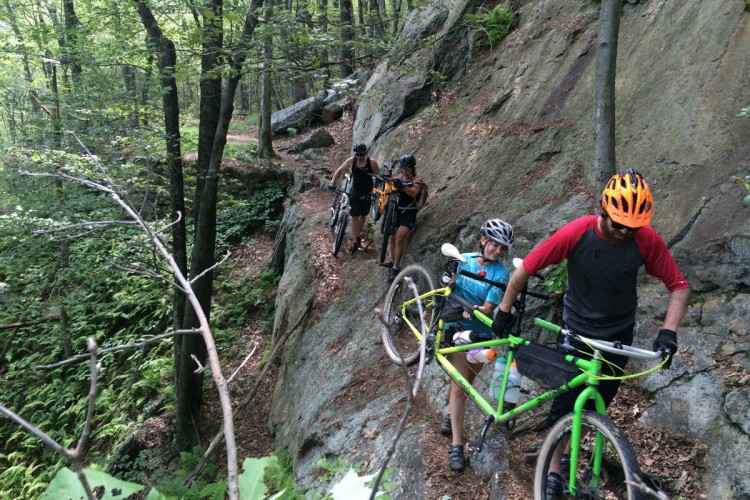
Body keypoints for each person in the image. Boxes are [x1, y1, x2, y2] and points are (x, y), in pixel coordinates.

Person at [491, 169, 690, 497]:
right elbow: (525, 269)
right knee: (566, 404)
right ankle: (553, 471)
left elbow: (680, 288)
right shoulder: (577, 233)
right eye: (618, 224)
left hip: (617, 334)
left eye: (632, 227)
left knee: (598, 404)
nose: (624, 232)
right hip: (577, 331)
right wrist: (504, 309)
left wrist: (668, 333)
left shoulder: (645, 240)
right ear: (603, 210)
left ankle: (582, 453)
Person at [440, 219, 516, 471]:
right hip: (454, 331)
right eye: (495, 244)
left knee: (464, 386)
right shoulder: (465, 259)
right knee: (459, 387)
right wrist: (448, 282)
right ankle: (456, 441)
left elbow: (488, 309)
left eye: (502, 247)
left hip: (479, 337)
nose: (497, 250)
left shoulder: (501, 274)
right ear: (483, 240)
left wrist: (475, 310)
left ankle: (453, 429)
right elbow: (448, 288)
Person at [326, 141, 380, 253]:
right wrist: (332, 182)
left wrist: (374, 190)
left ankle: (357, 235)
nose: (359, 157)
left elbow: (378, 177)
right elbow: (340, 170)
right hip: (355, 192)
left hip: (367, 193)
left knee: (363, 216)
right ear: (355, 154)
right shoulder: (351, 161)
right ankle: (355, 241)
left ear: (365, 153)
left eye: (361, 154)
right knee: (355, 216)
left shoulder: (372, 163)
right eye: (357, 154)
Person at [385, 154, 423, 282]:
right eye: (402, 169)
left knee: (399, 238)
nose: (404, 171)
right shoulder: (400, 178)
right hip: (398, 212)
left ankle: (396, 267)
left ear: (412, 168)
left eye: (407, 169)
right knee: (391, 237)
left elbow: (413, 192)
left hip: (409, 213)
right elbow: (391, 189)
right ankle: (392, 260)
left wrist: (403, 186)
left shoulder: (417, 180)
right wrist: (392, 181)